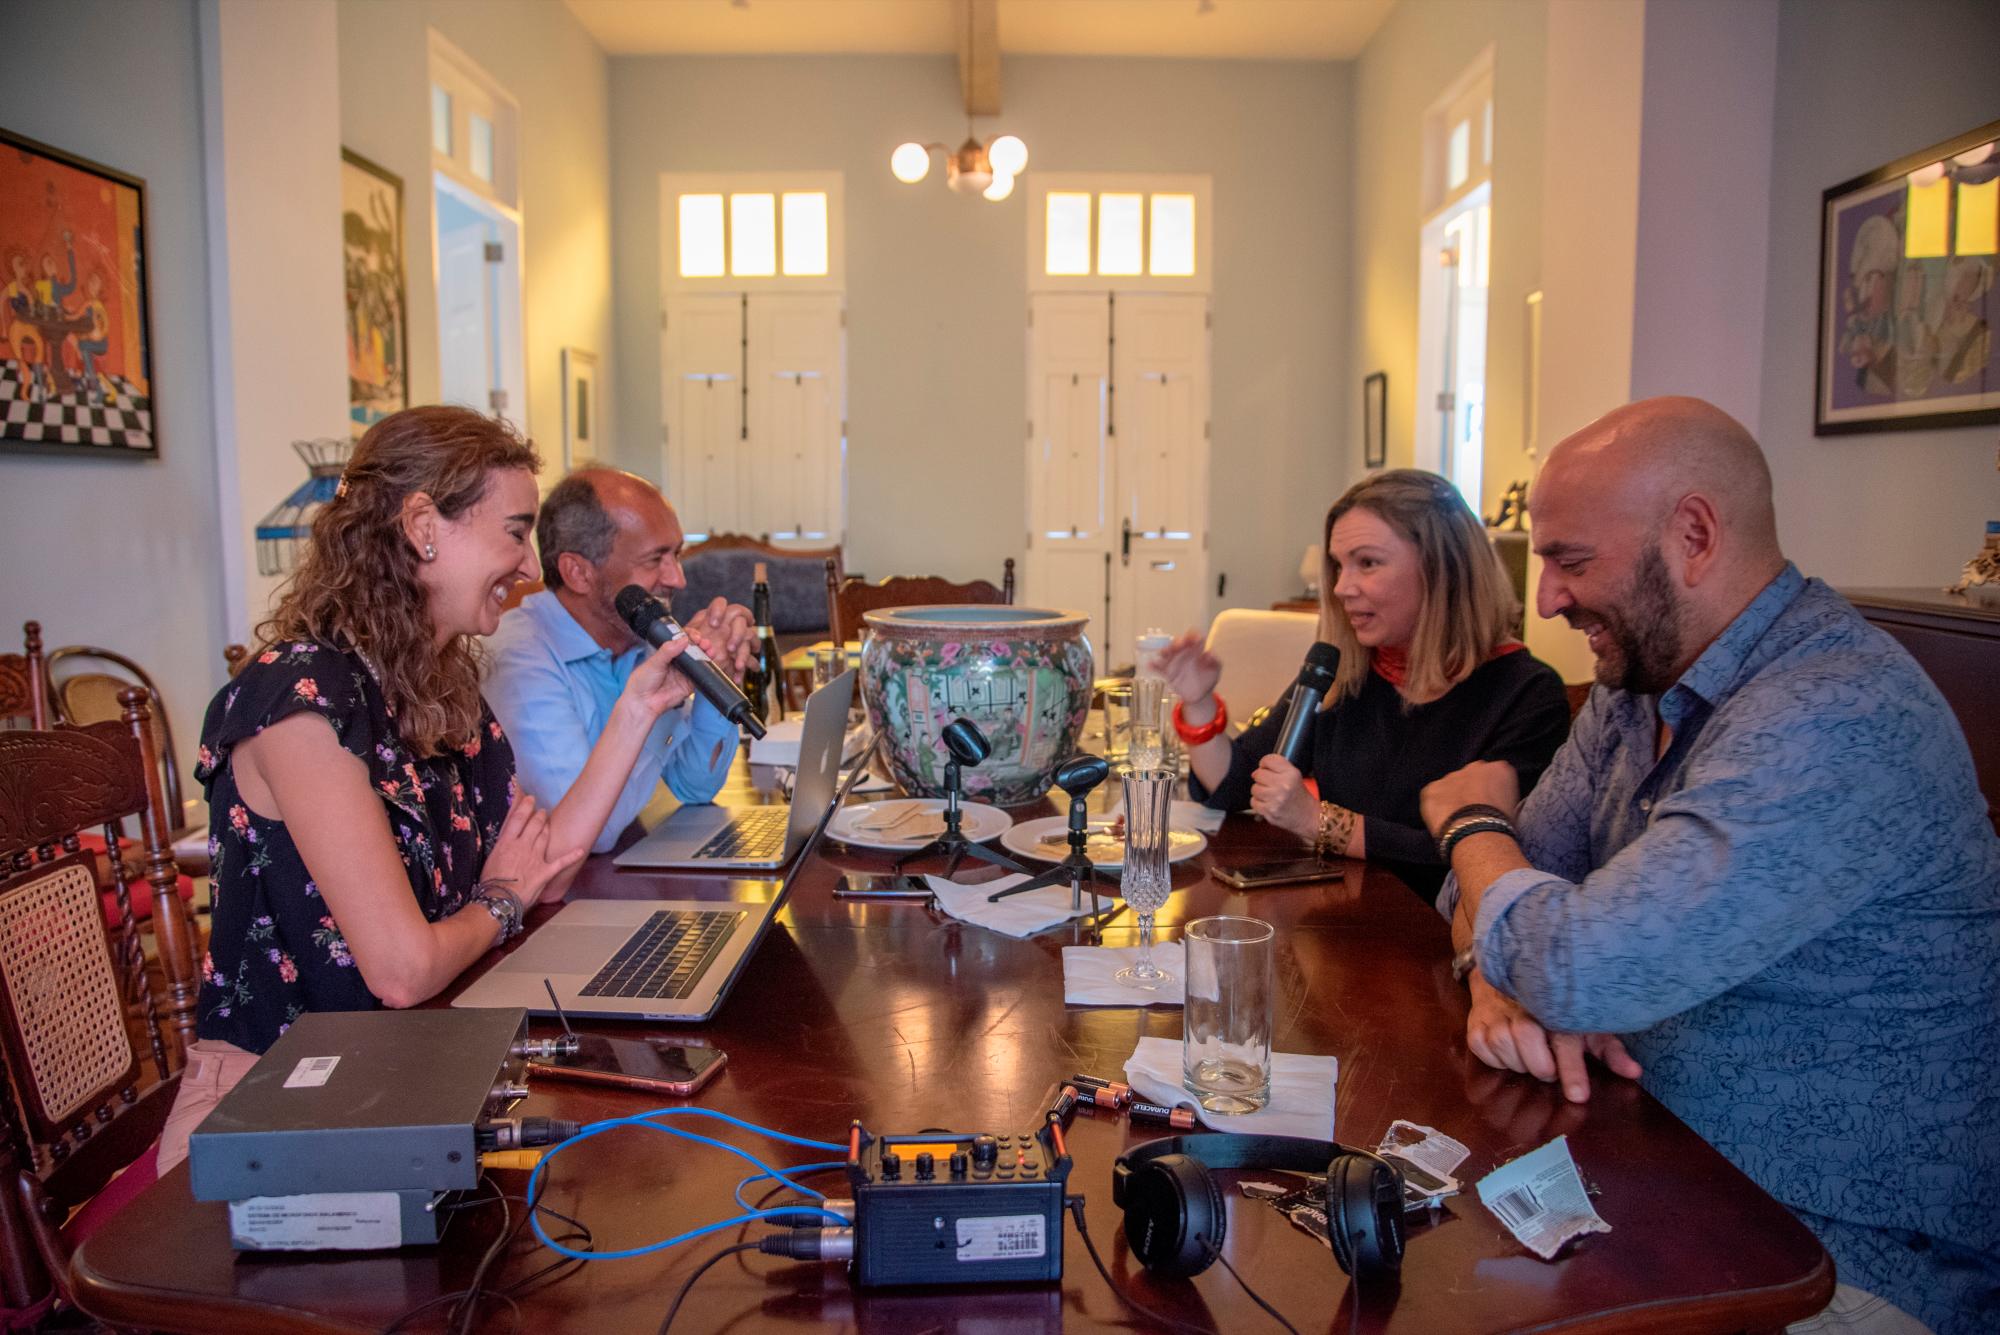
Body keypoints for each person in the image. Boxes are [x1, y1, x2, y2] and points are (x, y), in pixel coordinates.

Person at [1420, 396, 2000, 1335]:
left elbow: (1571, 957)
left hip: (1836, 1259)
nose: (1547, 600)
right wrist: (1496, 975)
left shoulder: (1835, 712)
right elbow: (1491, 905)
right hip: (1651, 1186)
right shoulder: (1638, 684)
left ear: (1693, 534)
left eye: (1570, 560)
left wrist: (1472, 819)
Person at [162, 407, 713, 1171]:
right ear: (423, 525)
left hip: (409, 1071)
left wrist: (640, 707)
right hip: (271, 1108)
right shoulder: (300, 700)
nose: (529, 567)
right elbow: (403, 968)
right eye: (515, 532)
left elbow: (543, 865)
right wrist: (498, 900)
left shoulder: (439, 687)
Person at [1156, 469, 1570, 903]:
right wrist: (1198, 701)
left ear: (1443, 566)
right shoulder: (1345, 672)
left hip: (1443, 940)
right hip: (1344, 921)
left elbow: (1485, 857)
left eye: (1367, 563)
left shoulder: (1527, 693)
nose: (1341, 588)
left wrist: (1319, 821)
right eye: (1338, 565)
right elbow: (1236, 784)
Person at [483, 469, 754, 854]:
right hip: (559, 905)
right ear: (578, 572)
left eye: (676, 554)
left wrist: (713, 674)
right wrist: (661, 702)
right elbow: (590, 837)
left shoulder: (633, 637)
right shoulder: (520, 658)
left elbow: (696, 786)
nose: (678, 579)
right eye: (655, 559)